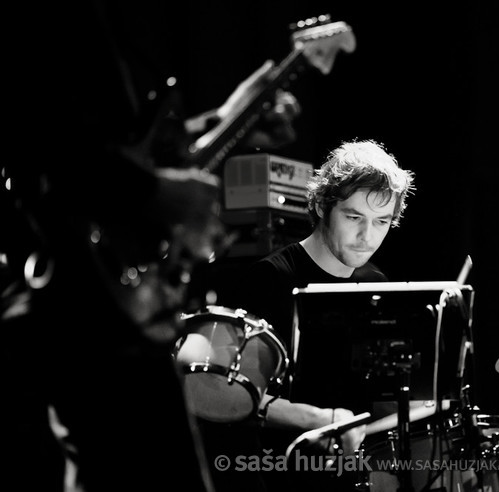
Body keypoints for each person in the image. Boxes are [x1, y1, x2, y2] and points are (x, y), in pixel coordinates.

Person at [3, 2, 300, 491]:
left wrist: (224, 123)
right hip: (81, 293)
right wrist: (158, 193)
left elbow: (110, 149)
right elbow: (43, 147)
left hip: (118, 299)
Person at [200, 139, 415, 492]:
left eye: (381, 222)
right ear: (319, 205)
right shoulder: (269, 280)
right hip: (282, 474)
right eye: (354, 217)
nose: (367, 236)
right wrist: (319, 418)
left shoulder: (376, 283)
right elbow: (227, 393)